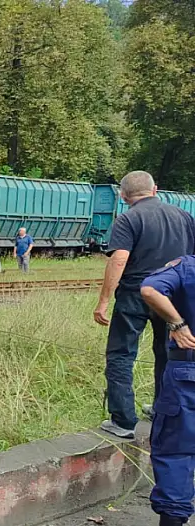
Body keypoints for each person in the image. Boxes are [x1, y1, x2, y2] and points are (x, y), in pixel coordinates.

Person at [95, 171, 195, 439]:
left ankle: (124, 421)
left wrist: (103, 300)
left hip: (135, 294)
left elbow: (119, 259)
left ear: (123, 196)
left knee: (121, 354)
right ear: (155, 189)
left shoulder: (128, 218)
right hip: (173, 295)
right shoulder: (183, 216)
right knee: (169, 353)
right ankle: (163, 411)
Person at [131, 258, 195, 526]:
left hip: (188, 371)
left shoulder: (187, 267)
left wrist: (178, 323)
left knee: (175, 450)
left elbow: (150, 288)